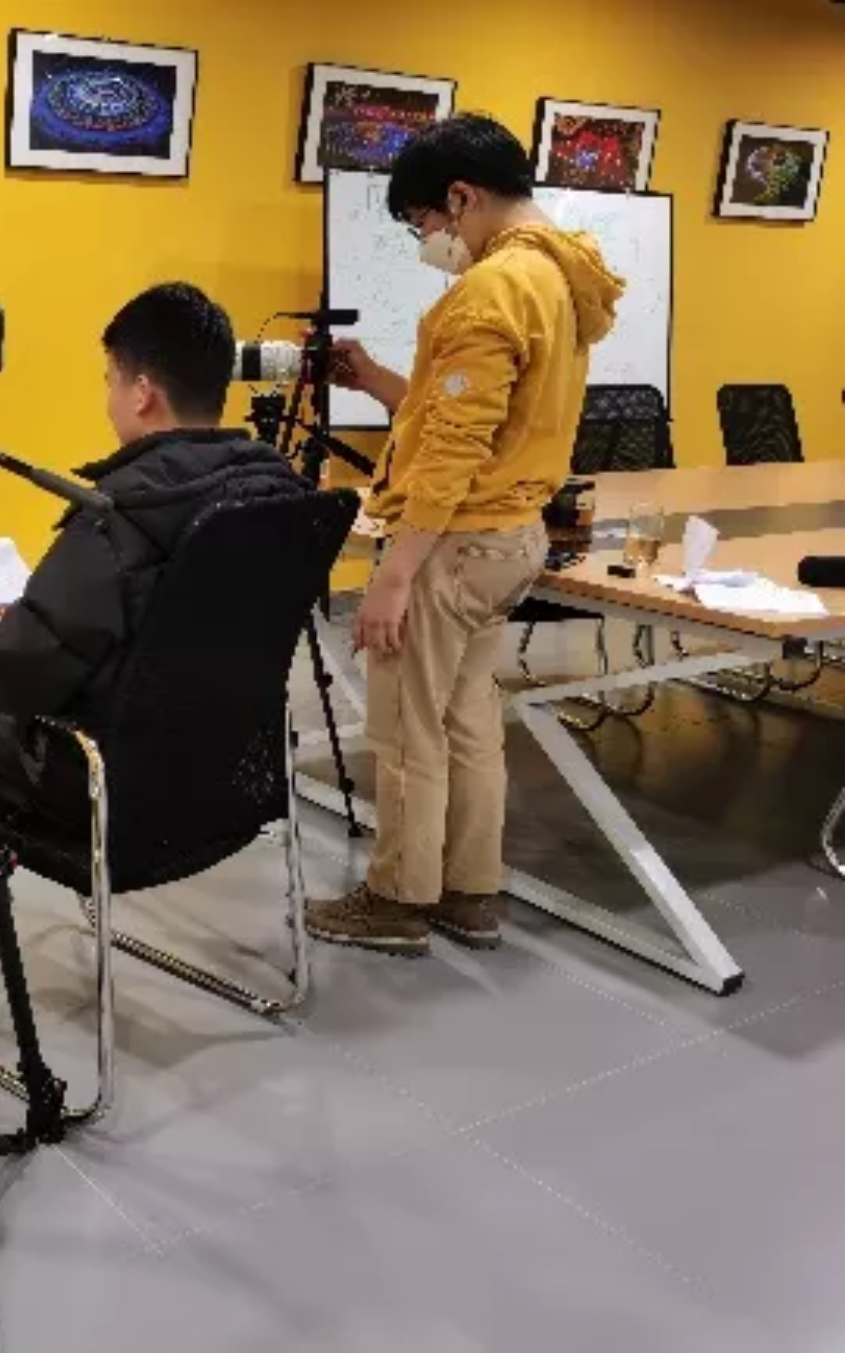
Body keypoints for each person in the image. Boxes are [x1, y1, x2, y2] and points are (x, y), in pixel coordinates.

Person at [0, 282, 314, 902]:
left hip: (117, 796)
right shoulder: (277, 495)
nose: (109, 398)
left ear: (142, 392)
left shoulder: (122, 516)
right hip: (233, 779)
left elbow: (19, 675)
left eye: (110, 380)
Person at [304, 114, 625, 956]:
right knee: (468, 720)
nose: (430, 242)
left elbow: (451, 454)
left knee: (406, 729)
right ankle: (470, 891)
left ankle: (397, 899)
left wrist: (394, 577)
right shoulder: (565, 277)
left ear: (460, 197)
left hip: (451, 545)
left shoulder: (489, 290)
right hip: (512, 537)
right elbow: (470, 418)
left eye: (424, 222)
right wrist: (376, 380)